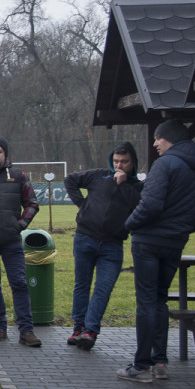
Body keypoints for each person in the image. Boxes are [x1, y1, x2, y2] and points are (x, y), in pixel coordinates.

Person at [118, 119, 195, 383]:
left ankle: (141, 366)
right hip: (175, 242)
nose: (155, 143)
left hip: (148, 242)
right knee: (160, 300)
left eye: (157, 139)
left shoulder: (165, 164)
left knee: (146, 302)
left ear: (168, 138)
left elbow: (150, 205)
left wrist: (128, 226)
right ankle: (160, 361)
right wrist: (177, 230)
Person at [63, 142, 143, 351]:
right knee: (82, 285)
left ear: (132, 163)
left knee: (103, 288)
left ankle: (90, 331)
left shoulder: (137, 186)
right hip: (85, 238)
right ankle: (78, 327)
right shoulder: (98, 175)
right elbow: (70, 179)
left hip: (113, 245)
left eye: (124, 162)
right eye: (116, 161)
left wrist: (123, 184)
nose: (119, 165)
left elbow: (138, 205)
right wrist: (82, 204)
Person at [0, 137, 42, 347]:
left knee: (19, 283)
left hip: (12, 240)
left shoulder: (18, 176)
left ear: (5, 154)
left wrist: (20, 225)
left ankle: (26, 330)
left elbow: (32, 203)